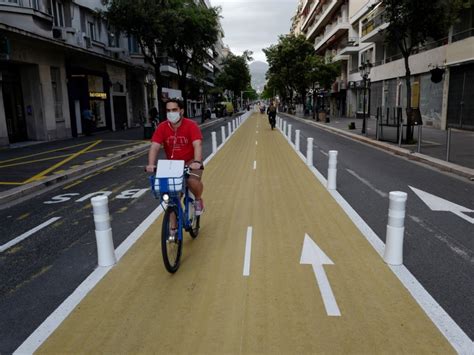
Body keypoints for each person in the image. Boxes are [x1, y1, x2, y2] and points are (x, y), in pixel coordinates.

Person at [146, 98, 205, 217]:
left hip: (191, 161)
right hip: (173, 165)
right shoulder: (162, 127)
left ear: (181, 111)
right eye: (168, 110)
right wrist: (151, 164)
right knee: (172, 198)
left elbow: (197, 144)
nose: (171, 113)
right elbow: (155, 146)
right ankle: (172, 231)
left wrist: (197, 161)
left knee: (191, 181)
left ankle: (198, 200)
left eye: (174, 109)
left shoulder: (191, 125)